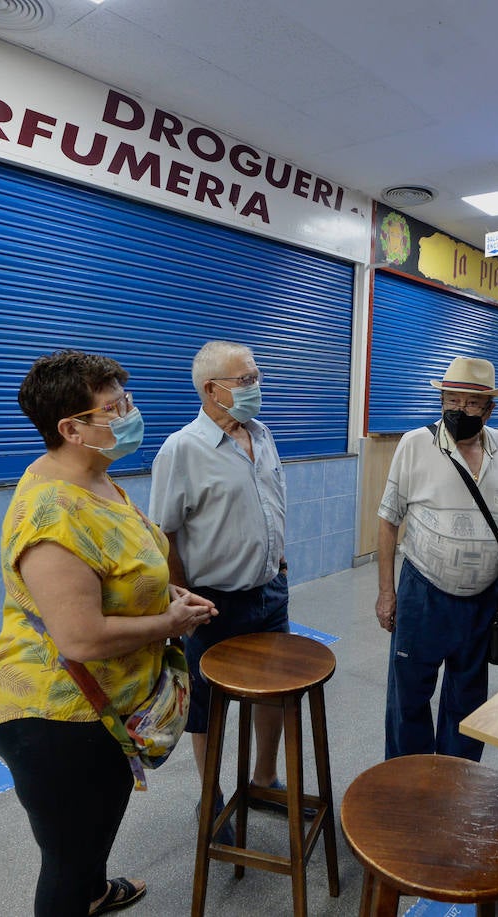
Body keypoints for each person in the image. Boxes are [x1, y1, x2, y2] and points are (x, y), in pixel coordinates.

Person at [0, 350, 217, 917]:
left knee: (91, 839)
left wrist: (167, 595)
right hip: (58, 719)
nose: (130, 413)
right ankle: (79, 894)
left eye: (126, 400)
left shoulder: (94, 477)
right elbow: (80, 638)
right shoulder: (52, 514)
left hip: (108, 703)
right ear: (71, 428)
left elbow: (119, 572)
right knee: (66, 859)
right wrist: (172, 622)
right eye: (114, 407)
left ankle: (96, 892)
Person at [149, 340, 292, 845]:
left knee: (275, 692)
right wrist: (182, 598)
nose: (257, 387)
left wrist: (276, 554)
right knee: (207, 707)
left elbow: (270, 499)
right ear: (212, 390)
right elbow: (162, 532)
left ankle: (264, 777)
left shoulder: (262, 433)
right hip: (213, 603)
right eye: (246, 380)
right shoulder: (182, 449)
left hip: (270, 592)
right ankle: (210, 798)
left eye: (256, 376)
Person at [375, 357, 498, 762]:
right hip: (424, 592)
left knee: (468, 698)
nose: (459, 410)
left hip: (482, 600)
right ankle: (407, 784)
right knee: (410, 696)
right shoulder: (415, 443)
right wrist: (386, 593)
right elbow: (388, 522)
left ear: (490, 409)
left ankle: (456, 784)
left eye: (472, 403)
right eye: (451, 399)